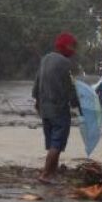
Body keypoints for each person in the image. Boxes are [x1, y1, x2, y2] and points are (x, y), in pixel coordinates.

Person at [32, 32, 80, 185]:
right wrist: (76, 103)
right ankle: (46, 174)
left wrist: (37, 101)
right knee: (57, 143)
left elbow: (37, 82)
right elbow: (70, 87)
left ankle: (52, 172)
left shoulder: (45, 59)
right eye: (72, 46)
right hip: (59, 109)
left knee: (52, 143)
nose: (73, 50)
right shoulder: (66, 64)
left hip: (45, 109)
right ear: (65, 46)